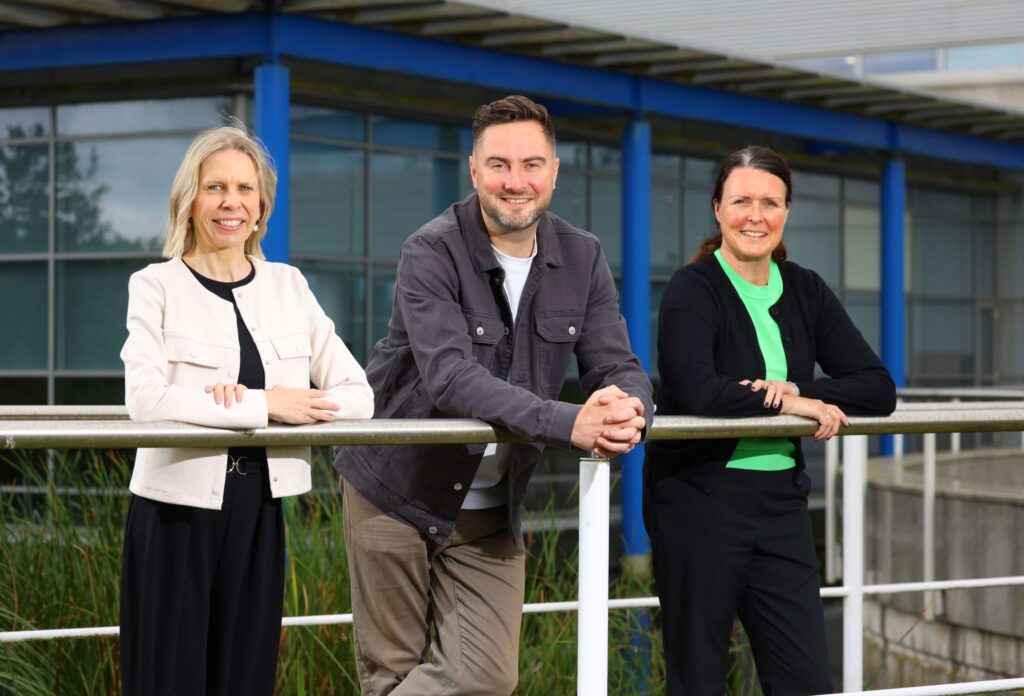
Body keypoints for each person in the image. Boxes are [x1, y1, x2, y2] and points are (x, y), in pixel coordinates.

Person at [334, 95, 653, 695]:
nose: (516, 181)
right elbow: (451, 378)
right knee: (393, 675)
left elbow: (615, 362)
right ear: (474, 170)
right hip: (395, 489)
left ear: (554, 171)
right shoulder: (429, 251)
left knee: (486, 679)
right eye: (499, 165)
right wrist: (569, 423)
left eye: (531, 164)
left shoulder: (582, 256)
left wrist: (630, 408)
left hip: (491, 513)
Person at [118, 125, 373, 695]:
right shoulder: (154, 285)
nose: (231, 203)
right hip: (173, 512)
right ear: (189, 200)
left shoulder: (290, 286)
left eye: (244, 189)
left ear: (261, 207)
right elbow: (145, 399)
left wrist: (285, 407)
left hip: (260, 507)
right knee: (166, 680)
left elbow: (359, 393)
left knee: (245, 679)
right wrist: (266, 404)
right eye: (215, 188)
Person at [644, 145, 896, 695]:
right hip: (700, 505)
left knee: (804, 678)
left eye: (770, 202)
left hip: (781, 503)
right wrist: (788, 405)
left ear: (786, 211)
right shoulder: (693, 288)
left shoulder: (804, 288)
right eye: (741, 201)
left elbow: (877, 387)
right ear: (716, 208)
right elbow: (698, 391)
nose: (755, 216)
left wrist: (801, 389)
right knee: (700, 678)